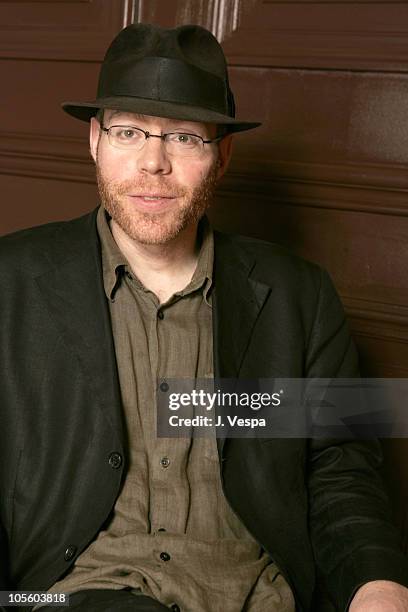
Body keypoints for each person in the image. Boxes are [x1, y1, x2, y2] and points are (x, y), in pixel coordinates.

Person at [0, 22, 407, 612]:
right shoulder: (10, 283)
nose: (153, 163)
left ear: (223, 153)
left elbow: (343, 472)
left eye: (186, 138)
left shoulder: (302, 296)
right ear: (94, 139)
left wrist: (380, 586)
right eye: (128, 132)